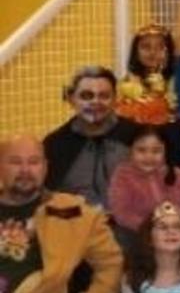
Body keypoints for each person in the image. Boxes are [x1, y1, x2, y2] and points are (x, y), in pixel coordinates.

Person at [0, 133, 125, 293]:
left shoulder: (73, 211)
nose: (25, 170)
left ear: (46, 167)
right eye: (15, 162)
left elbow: (112, 265)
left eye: (34, 162)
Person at [44, 66, 137, 209]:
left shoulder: (136, 136)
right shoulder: (55, 145)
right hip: (74, 225)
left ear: (115, 100)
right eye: (86, 96)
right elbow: (47, 196)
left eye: (104, 96)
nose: (95, 102)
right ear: (71, 99)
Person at [105, 125, 180, 236]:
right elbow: (122, 213)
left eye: (156, 151)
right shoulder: (122, 176)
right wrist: (153, 228)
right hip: (139, 234)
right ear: (131, 151)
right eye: (141, 150)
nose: (149, 156)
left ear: (165, 151)